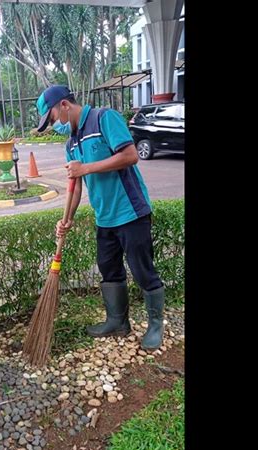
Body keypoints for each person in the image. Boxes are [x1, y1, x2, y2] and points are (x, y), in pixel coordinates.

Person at [35, 85, 165, 350]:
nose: (53, 125)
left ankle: (156, 326)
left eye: (51, 118)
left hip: (130, 212)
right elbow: (77, 182)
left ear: (63, 106)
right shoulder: (71, 141)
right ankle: (118, 321)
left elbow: (129, 156)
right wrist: (67, 219)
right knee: (108, 268)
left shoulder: (104, 118)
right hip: (104, 217)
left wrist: (86, 167)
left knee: (142, 270)